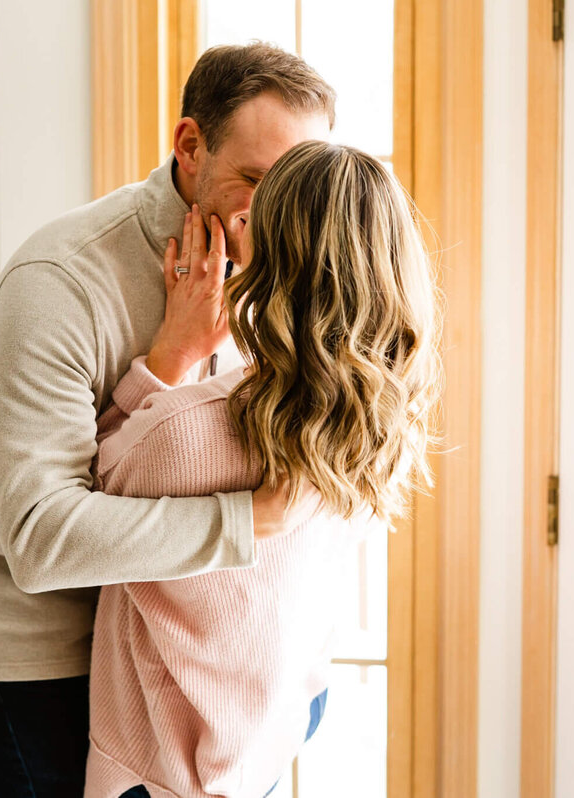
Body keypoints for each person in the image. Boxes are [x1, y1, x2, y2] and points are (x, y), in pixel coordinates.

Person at [0, 43, 336, 798]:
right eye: (255, 180)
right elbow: (43, 540)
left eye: (298, 186)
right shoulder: (59, 282)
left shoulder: (292, 255)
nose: (279, 216)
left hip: (197, 643)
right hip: (45, 654)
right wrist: (251, 516)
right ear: (189, 146)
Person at [83, 140, 441, 798]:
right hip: (270, 737)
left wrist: (174, 351)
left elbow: (96, 475)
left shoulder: (186, 429)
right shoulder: (376, 421)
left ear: (267, 260)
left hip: (165, 768)